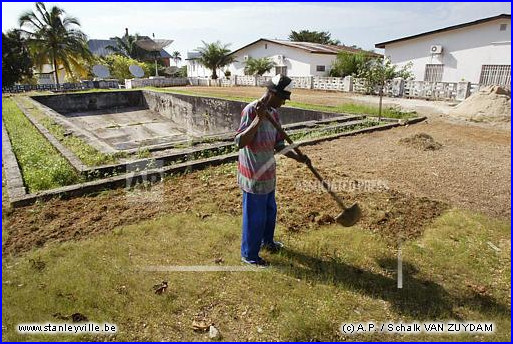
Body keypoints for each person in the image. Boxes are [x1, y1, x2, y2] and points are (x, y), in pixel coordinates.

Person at [235, 74, 310, 266]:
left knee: (270, 211)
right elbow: (240, 142)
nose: (284, 102)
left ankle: (266, 242)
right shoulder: (251, 110)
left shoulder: (274, 113)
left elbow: (278, 144)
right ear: (272, 93)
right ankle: (249, 255)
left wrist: (297, 157)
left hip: (268, 173)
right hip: (253, 175)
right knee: (255, 217)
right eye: (283, 98)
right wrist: (257, 121)